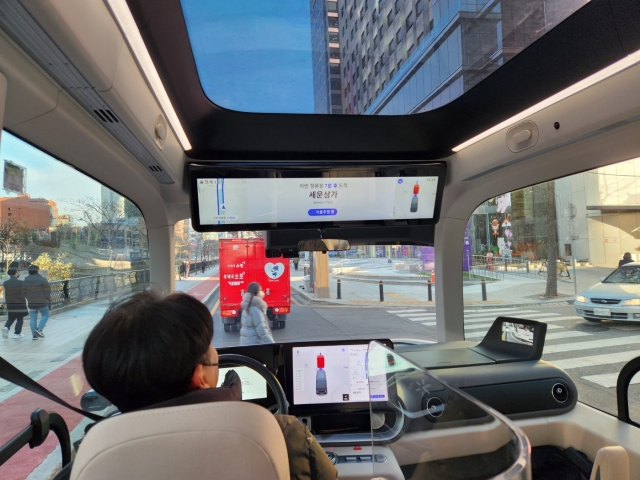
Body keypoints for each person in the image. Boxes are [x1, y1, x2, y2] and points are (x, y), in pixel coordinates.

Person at [83, 291, 338, 480]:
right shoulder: (282, 435)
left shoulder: (91, 458)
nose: (215, 351)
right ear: (200, 377)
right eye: (210, 345)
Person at [23, 264, 51, 340]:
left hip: (31, 302)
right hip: (42, 302)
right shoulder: (43, 279)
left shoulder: (26, 280)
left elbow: (24, 291)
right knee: (45, 315)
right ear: (37, 271)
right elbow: (47, 290)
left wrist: (28, 298)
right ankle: (38, 330)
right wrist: (47, 298)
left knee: (32, 318)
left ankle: (34, 336)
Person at [2, 268, 27, 339]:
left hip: (10, 303)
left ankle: (6, 327)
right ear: (16, 273)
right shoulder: (21, 282)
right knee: (20, 318)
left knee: (11, 317)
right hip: (20, 303)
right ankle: (17, 333)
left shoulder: (5, 283)